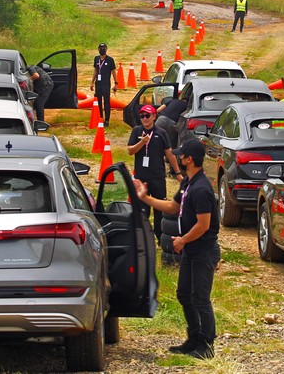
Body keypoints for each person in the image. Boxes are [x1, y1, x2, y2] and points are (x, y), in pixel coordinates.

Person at [133, 139, 220, 360]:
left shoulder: (201, 188)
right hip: (191, 249)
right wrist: (145, 198)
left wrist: (182, 240)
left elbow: (204, 225)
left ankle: (207, 345)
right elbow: (174, 207)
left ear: (189, 159)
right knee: (184, 294)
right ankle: (193, 339)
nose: (177, 158)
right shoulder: (189, 183)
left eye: (181, 155)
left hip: (203, 249)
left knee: (200, 298)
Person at [128, 104, 183, 241]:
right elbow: (130, 151)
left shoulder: (161, 133)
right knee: (142, 210)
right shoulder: (137, 131)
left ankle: (160, 237)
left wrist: (177, 173)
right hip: (141, 177)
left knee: (159, 209)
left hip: (157, 176)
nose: (145, 119)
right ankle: (143, 238)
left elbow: (170, 155)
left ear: (154, 116)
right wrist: (142, 143)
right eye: (142, 116)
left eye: (147, 116)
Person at [90, 43, 118, 127]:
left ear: (106, 49)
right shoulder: (96, 59)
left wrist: (116, 83)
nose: (102, 49)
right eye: (100, 48)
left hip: (106, 84)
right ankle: (100, 118)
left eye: (104, 48)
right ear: (98, 49)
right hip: (98, 84)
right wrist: (92, 82)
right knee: (98, 102)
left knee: (106, 102)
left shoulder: (110, 60)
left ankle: (107, 120)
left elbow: (113, 72)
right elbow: (95, 70)